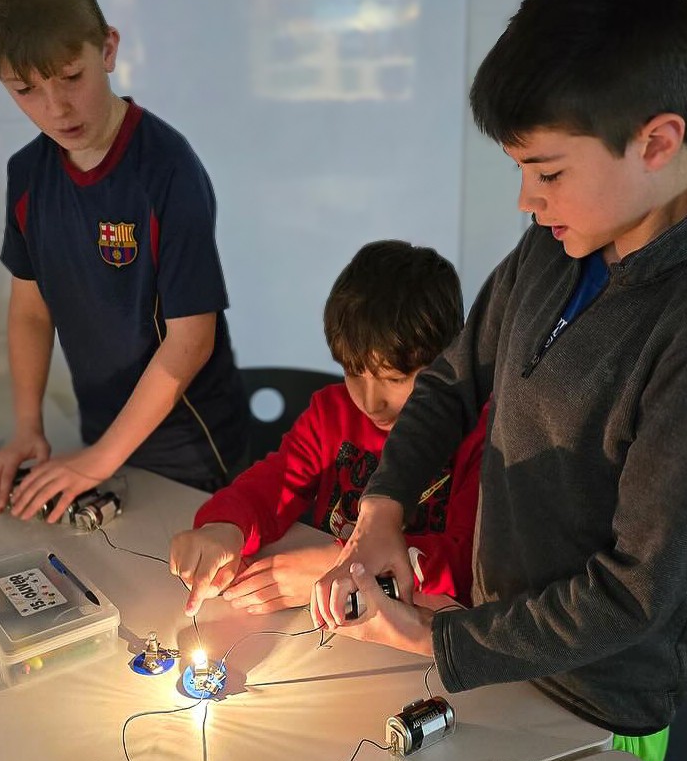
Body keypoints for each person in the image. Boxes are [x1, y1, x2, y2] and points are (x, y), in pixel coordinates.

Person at [311, 0, 687, 761]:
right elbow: (455, 380)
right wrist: (382, 507)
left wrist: (436, 635)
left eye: (549, 173)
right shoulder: (557, 246)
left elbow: (634, 590)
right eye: (522, 171)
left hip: (600, 699)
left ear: (656, 141)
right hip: (496, 648)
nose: (528, 200)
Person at [0, 0, 248, 519]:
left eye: (71, 76)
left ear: (108, 48)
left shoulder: (166, 169)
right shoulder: (27, 175)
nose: (57, 107)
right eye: (25, 89)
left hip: (192, 449)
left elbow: (192, 339)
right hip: (103, 439)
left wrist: (98, 459)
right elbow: (30, 311)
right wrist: (28, 428)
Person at [170, 241, 487, 619]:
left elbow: (462, 564)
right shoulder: (331, 413)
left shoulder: (479, 437)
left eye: (395, 378)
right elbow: (274, 484)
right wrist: (225, 527)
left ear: (448, 362)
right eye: (354, 373)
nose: (371, 402)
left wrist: (340, 564)